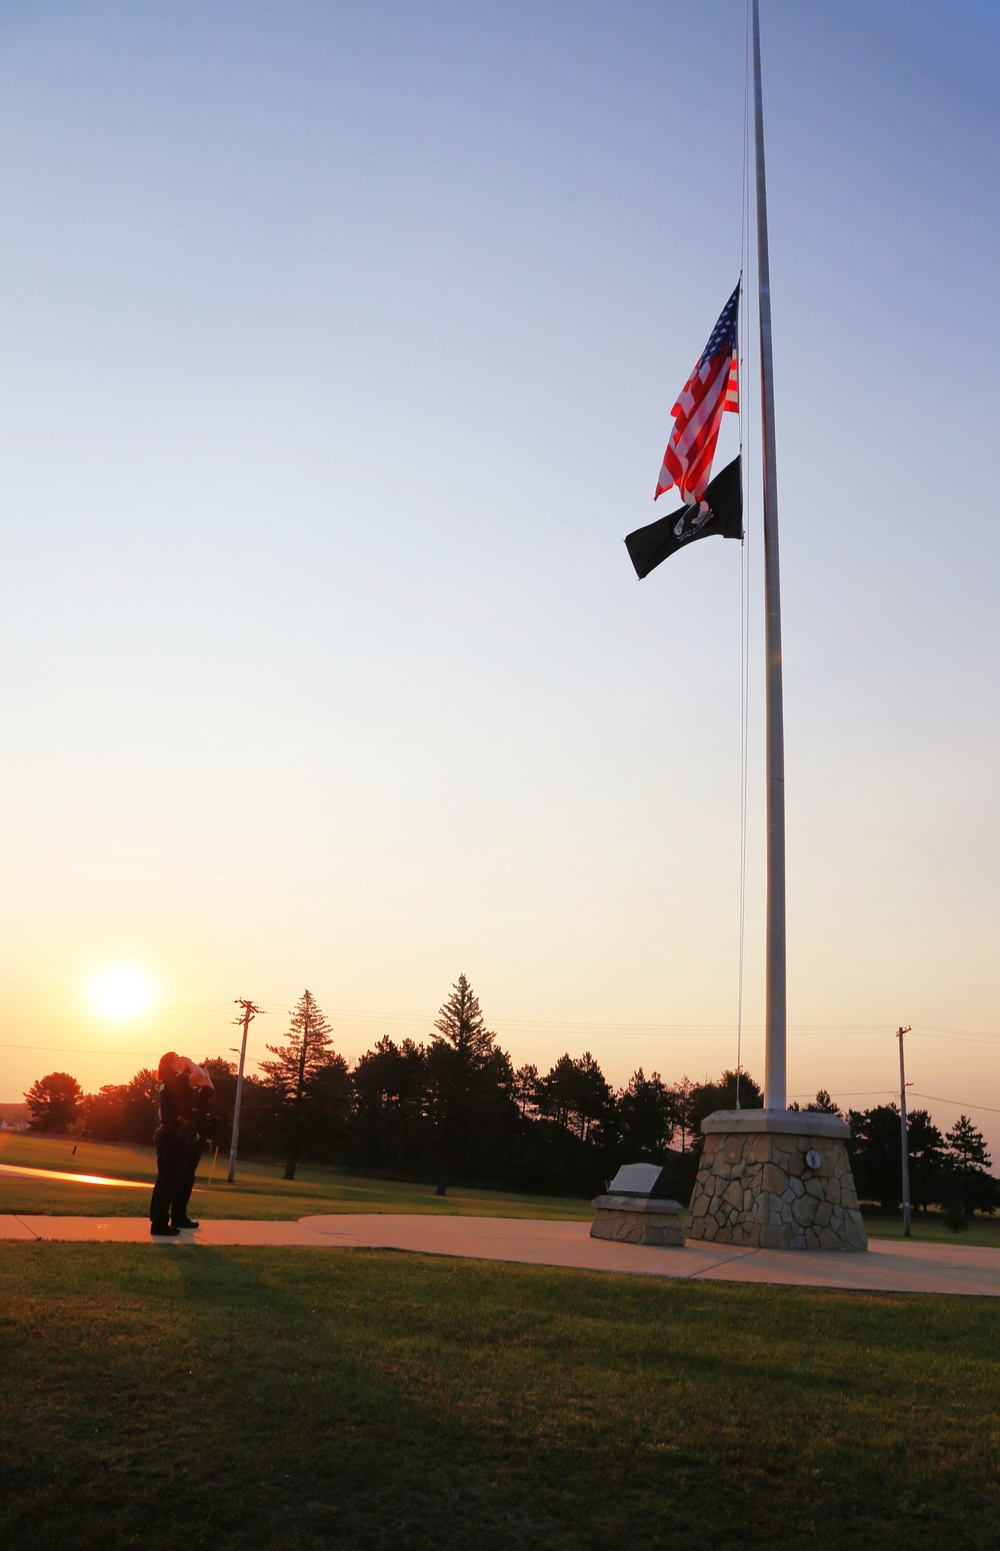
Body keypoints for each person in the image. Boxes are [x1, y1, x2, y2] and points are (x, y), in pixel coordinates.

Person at [149, 1053, 218, 1236]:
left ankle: (163, 1220)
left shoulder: (171, 1083)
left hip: (169, 1133)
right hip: (173, 1134)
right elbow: (199, 1077)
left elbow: (205, 1085)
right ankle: (159, 1223)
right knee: (168, 1180)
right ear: (172, 1064)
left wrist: (205, 1074)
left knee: (165, 1180)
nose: (182, 1060)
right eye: (177, 1058)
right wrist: (188, 1061)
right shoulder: (174, 1080)